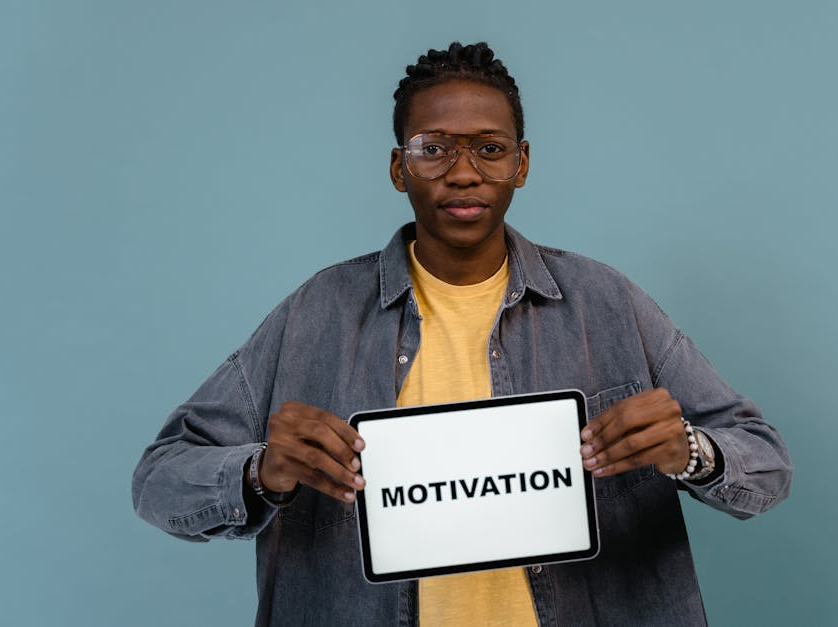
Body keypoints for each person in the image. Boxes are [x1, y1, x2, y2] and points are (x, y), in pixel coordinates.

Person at [132, 42, 792, 626]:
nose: (464, 171)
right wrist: (261, 472)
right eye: (433, 148)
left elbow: (765, 462)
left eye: (489, 147)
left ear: (521, 163)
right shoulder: (316, 313)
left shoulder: (607, 302)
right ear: (399, 168)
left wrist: (691, 450)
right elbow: (160, 477)